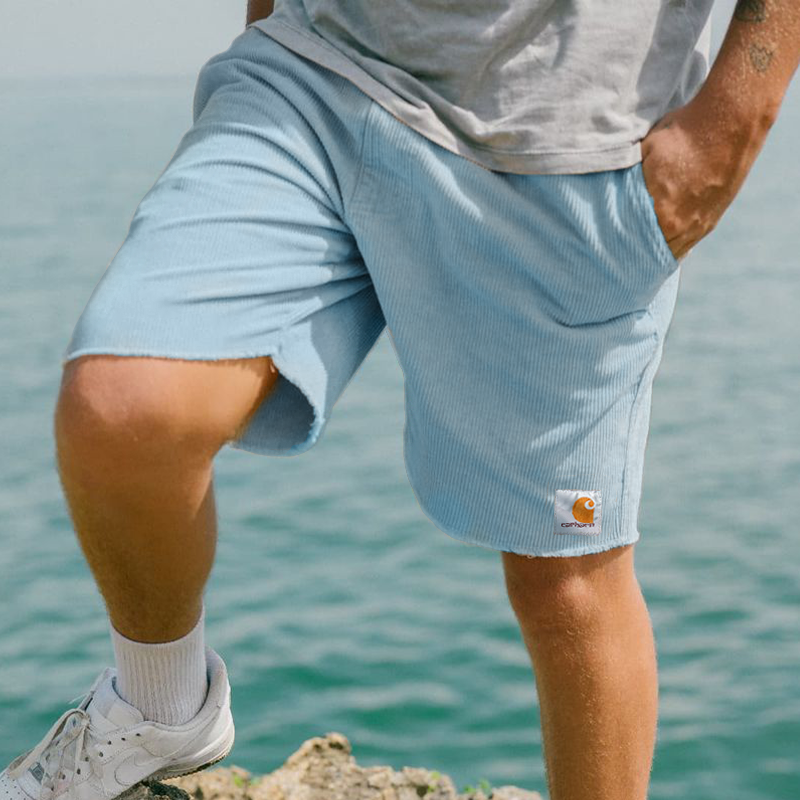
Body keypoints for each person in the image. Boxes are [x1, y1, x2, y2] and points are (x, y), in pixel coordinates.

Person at [2, 1, 797, 799]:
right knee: (123, 410)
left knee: (567, 575)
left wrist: (735, 119)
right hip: (315, 74)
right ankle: (159, 704)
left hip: (564, 142)